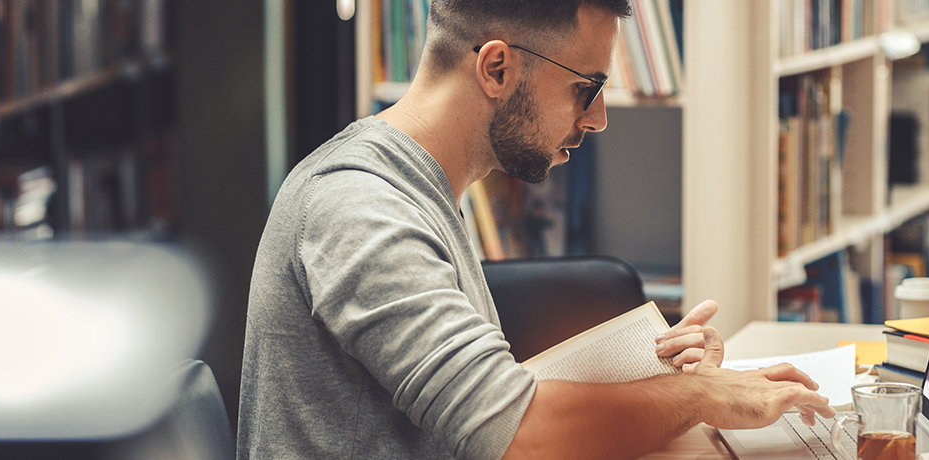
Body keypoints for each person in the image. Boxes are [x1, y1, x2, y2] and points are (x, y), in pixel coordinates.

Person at [236, 1, 834, 458]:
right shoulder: (358, 205)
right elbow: (519, 434)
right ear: (496, 67)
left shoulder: (415, 186)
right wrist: (706, 396)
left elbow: (479, 400)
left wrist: (662, 383)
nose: (597, 119)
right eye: (588, 87)